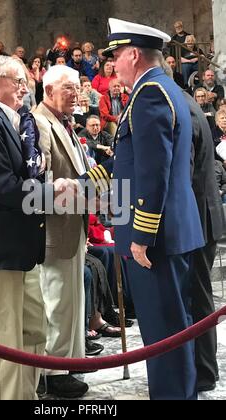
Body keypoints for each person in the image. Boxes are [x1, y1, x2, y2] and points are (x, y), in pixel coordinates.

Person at [80, 18, 205, 400]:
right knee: (170, 325)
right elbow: (129, 160)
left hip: (156, 237)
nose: (114, 64)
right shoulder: (163, 89)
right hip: (170, 230)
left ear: (134, 54)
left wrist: (141, 236)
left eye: (116, 55)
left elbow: (153, 173)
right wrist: (88, 183)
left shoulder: (149, 94)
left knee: (163, 329)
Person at [0, 56, 76, 400]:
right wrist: (49, 191)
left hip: (20, 251)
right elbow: (2, 187)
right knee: (3, 345)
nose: (25, 87)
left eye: (25, 81)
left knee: (33, 332)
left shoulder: (9, 121)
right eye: (17, 81)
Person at [33, 65, 91, 399]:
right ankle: (53, 371)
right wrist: (79, 189)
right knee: (56, 301)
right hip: (55, 226)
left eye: (77, 87)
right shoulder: (39, 123)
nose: (76, 93)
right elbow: (38, 185)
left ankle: (70, 361)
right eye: (69, 87)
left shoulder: (65, 123)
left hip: (74, 222)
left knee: (71, 299)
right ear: (50, 88)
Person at [184, 92, 225, 393]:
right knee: (201, 296)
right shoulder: (190, 104)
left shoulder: (178, 108)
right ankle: (205, 369)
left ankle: (203, 371)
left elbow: (182, 177)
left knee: (197, 298)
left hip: (197, 219)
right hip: (206, 215)